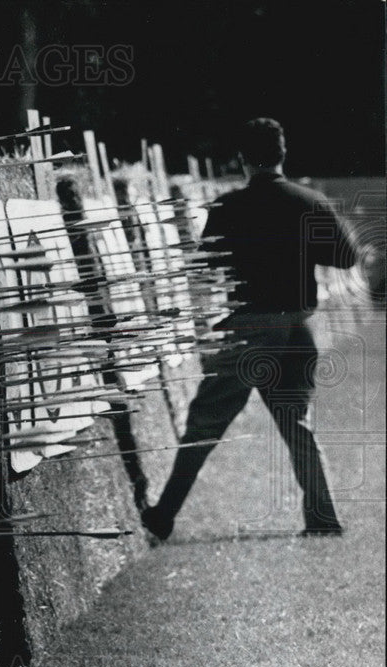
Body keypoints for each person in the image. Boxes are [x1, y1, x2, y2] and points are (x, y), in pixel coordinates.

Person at [141, 117, 358, 541]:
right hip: (297, 329)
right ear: (282, 154)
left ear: (243, 159)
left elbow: (206, 266)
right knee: (297, 423)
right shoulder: (309, 202)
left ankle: (164, 514)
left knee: (205, 424)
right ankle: (322, 518)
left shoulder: (229, 207)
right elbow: (348, 258)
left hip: (247, 330)